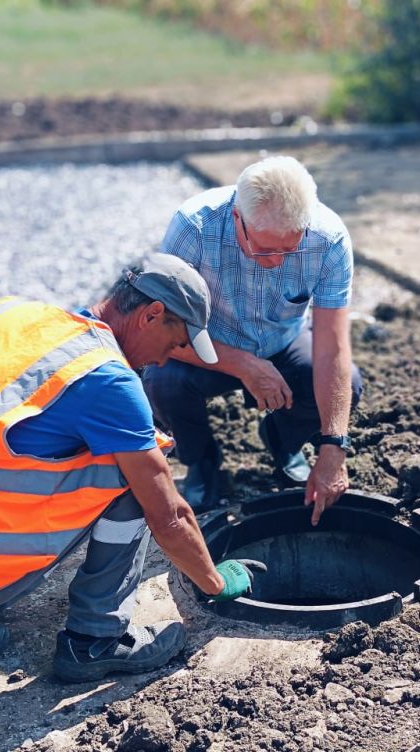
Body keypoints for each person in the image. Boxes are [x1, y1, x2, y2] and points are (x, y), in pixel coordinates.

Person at [0, 256, 266, 683]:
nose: (167, 360)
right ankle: (95, 640)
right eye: (174, 342)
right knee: (135, 471)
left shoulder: (8, 316)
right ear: (151, 315)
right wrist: (214, 582)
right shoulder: (109, 380)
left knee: (16, 457)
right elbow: (170, 517)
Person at [142, 156, 362, 525]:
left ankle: (283, 442)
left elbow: (333, 348)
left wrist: (334, 446)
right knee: (163, 381)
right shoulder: (194, 227)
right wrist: (242, 364)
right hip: (205, 343)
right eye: (264, 249)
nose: (276, 261)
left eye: (289, 249)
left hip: (283, 340)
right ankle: (202, 462)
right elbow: (161, 329)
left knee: (348, 384)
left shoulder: (329, 240)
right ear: (236, 219)